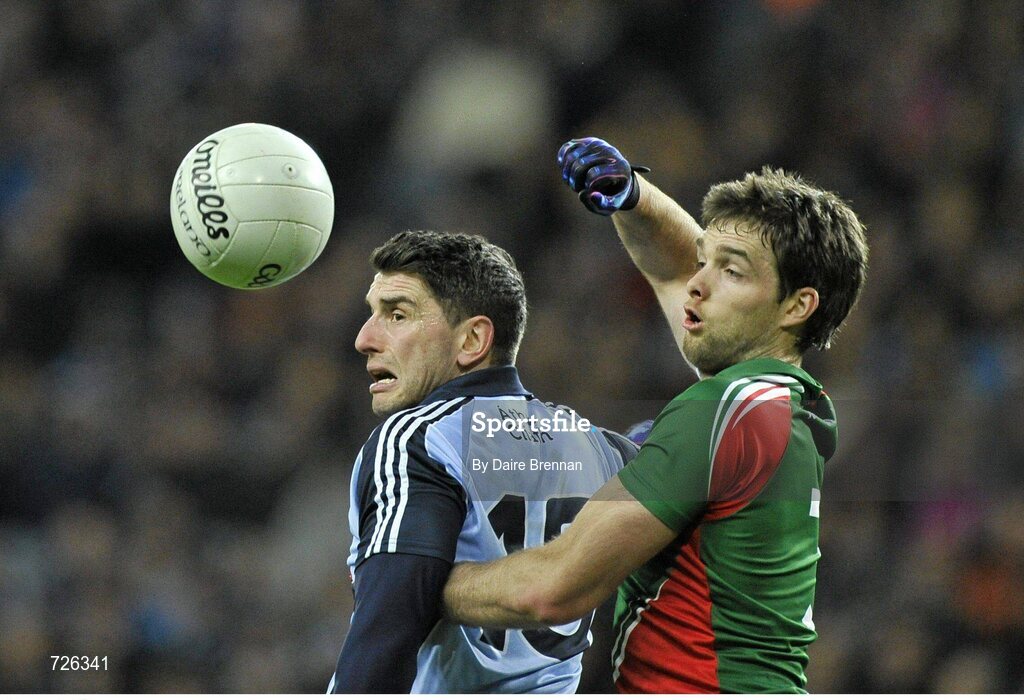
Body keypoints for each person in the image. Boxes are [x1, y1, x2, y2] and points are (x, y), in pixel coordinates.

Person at [442, 138, 869, 693]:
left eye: (732, 273)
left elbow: (551, 589)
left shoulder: (721, 413)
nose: (698, 282)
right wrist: (635, 198)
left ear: (796, 306)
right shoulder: (776, 407)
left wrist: (419, 579)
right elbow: (675, 275)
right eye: (703, 262)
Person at [327, 229, 639, 693]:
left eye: (397, 314)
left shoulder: (419, 439)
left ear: (472, 339)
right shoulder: (595, 445)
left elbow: (383, 643)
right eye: (372, 314)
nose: (364, 339)